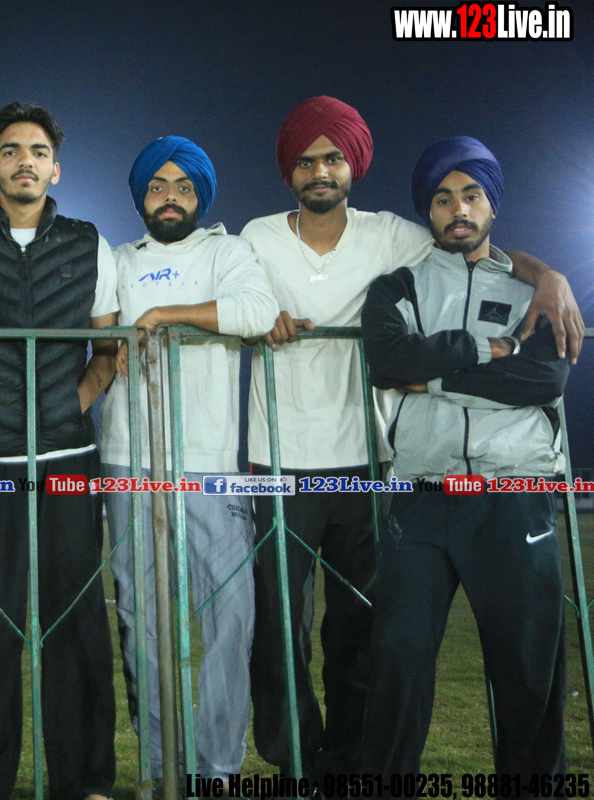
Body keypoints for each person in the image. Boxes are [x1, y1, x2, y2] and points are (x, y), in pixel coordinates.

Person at [240, 96, 583, 782]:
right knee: (313, 639)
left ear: (353, 165)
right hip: (330, 472)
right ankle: (309, 769)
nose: (320, 170)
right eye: (305, 160)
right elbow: (390, 361)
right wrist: (251, 313)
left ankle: (364, 766)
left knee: (407, 645)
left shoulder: (419, 248)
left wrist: (548, 276)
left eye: (332, 157)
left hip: (423, 471)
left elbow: (529, 351)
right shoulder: (282, 245)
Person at [359, 136, 569, 783]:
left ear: (492, 204)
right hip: (422, 495)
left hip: (514, 495)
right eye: (443, 198)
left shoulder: (537, 291)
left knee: (528, 674)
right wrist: (488, 352)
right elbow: (389, 362)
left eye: (471, 195)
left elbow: (543, 380)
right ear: (428, 210)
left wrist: (435, 375)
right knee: (396, 663)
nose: (458, 210)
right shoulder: (399, 286)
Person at [0, 101, 119, 800]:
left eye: (37, 151)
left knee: (77, 621)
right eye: (10, 151)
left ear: (55, 168)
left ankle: (85, 780)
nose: (25, 162)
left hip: (69, 458)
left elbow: (107, 346)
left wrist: (77, 402)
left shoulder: (88, 242)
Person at [99, 136, 278, 783]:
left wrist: (162, 316)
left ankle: (217, 767)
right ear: (140, 198)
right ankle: (160, 768)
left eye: (182, 187)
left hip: (210, 462)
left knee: (231, 617)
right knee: (140, 619)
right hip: (129, 457)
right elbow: (93, 330)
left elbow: (257, 312)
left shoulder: (229, 252)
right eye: (157, 187)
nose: (169, 197)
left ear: (201, 195)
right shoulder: (118, 259)